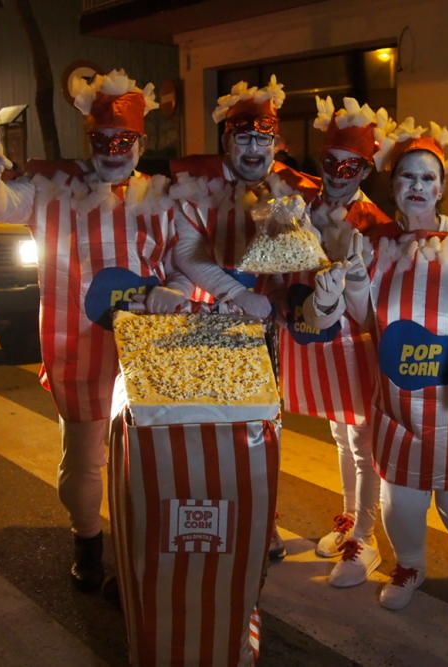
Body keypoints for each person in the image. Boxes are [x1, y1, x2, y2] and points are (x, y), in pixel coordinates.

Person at [0, 69, 188, 592]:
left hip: (146, 349)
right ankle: (87, 543)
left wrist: (176, 289)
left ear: (141, 141)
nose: (114, 149)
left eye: (125, 140)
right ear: (89, 140)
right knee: (85, 458)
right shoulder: (53, 190)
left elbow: (184, 262)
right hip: (78, 344)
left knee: (150, 459)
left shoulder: (161, 198)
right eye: (103, 140)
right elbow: (0, 206)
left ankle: (143, 550)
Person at [309, 118, 448, 612]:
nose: (417, 186)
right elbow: (363, 318)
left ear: (442, 187)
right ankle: (410, 564)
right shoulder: (373, 242)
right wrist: (349, 287)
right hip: (399, 402)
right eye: (407, 178)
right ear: (393, 186)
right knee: (400, 502)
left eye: (428, 178)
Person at [169, 76, 320, 560]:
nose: (254, 148)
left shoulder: (295, 190)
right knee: (206, 424)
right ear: (226, 141)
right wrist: (236, 291)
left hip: (267, 330)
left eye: (263, 138)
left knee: (263, 429)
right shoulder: (196, 186)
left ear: (276, 142)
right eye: (244, 137)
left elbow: (308, 255)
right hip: (209, 321)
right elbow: (188, 253)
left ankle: (264, 521)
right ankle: (210, 518)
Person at [280, 96, 395, 587]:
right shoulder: (304, 205)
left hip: (357, 342)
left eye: (352, 166)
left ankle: (365, 537)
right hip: (315, 338)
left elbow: (375, 303)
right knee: (338, 433)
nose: (339, 173)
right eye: (332, 162)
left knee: (362, 438)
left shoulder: (375, 224)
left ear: (366, 170)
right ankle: (350, 515)